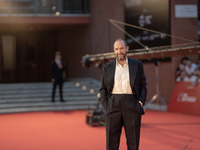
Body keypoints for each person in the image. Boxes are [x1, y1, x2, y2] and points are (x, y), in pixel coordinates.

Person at [100, 38, 147, 150]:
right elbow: (103, 89)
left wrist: (139, 103)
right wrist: (106, 106)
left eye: (121, 48)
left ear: (127, 49)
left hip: (132, 104)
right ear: (114, 51)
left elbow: (143, 86)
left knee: (133, 143)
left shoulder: (137, 65)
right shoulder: (107, 67)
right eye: (116, 49)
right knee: (111, 143)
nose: (119, 51)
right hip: (113, 105)